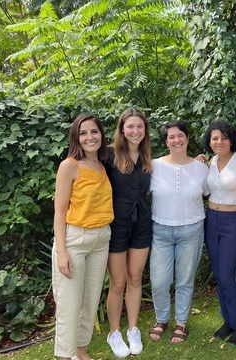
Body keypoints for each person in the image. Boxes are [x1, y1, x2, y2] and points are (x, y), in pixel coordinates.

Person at [52, 114, 114, 360]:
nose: (90, 137)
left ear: (101, 135)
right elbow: (59, 210)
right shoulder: (69, 166)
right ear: (76, 138)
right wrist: (62, 251)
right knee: (69, 305)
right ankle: (65, 356)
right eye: (84, 133)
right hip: (75, 240)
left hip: (101, 240)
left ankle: (80, 351)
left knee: (90, 302)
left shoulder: (102, 164)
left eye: (94, 132)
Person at [148, 121, 210, 344]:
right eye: (171, 137)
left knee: (185, 280)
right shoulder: (153, 166)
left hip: (191, 229)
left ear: (187, 139)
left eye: (180, 135)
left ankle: (181, 322)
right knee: (159, 281)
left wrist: (205, 161)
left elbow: (209, 191)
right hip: (161, 230)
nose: (176, 140)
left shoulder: (201, 169)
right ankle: (162, 318)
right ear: (166, 141)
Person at [104, 109, 152, 357]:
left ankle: (133, 328)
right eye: (131, 126)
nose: (136, 131)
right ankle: (114, 332)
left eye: (140, 127)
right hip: (116, 223)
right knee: (118, 282)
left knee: (135, 278)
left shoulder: (147, 157)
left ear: (145, 130)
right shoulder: (109, 155)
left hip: (142, 221)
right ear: (122, 129)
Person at [200, 120, 236, 344]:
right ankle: (228, 320)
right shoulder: (210, 162)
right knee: (217, 273)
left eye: (223, 137)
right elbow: (204, 190)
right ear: (209, 142)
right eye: (215, 138)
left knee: (227, 275)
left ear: (231, 139)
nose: (219, 141)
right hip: (211, 220)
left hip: (234, 221)